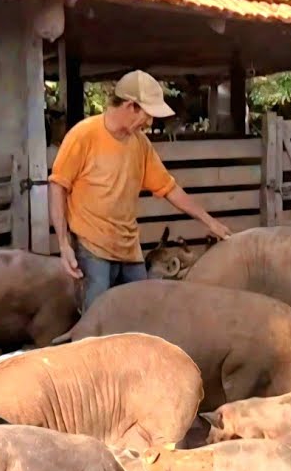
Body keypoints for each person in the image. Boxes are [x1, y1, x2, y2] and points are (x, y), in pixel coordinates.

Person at [48, 69, 232, 311]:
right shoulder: (84, 136)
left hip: (128, 247)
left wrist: (209, 222)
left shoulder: (140, 144)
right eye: (148, 114)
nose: (150, 122)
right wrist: (63, 244)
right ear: (130, 106)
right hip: (92, 248)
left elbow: (169, 188)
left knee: (143, 314)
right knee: (97, 322)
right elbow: (58, 186)